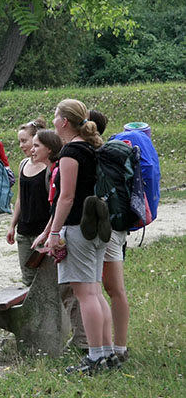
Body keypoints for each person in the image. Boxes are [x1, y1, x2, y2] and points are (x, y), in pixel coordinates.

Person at [33, 99, 114, 374]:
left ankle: (94, 357)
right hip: (96, 226)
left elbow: (66, 197)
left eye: (56, 116)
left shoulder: (70, 152)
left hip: (78, 227)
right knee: (95, 292)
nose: (53, 121)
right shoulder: (90, 148)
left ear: (64, 122)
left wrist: (54, 232)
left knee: (85, 294)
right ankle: (106, 352)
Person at [89, 109, 130, 363]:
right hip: (118, 223)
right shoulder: (109, 154)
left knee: (96, 289)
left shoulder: (90, 156)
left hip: (103, 227)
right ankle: (120, 347)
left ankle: (104, 349)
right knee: (115, 289)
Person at [4, 119, 50, 286]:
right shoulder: (23, 164)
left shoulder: (49, 168)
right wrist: (12, 225)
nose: (21, 146)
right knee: (28, 280)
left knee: (47, 280)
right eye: (19, 142)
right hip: (24, 231)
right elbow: (20, 199)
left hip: (43, 231)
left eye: (24, 141)